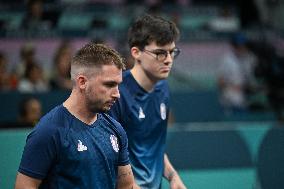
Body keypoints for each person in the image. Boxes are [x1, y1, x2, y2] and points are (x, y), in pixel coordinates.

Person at [14, 43, 137, 189]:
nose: (117, 93)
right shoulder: (48, 131)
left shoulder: (116, 129)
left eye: (118, 85)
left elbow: (127, 186)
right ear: (82, 82)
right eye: (109, 84)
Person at [109, 14, 187, 189]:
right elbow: (106, 157)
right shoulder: (115, 94)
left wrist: (173, 176)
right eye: (160, 53)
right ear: (136, 52)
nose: (168, 59)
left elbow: (153, 147)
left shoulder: (163, 89)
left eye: (172, 52)